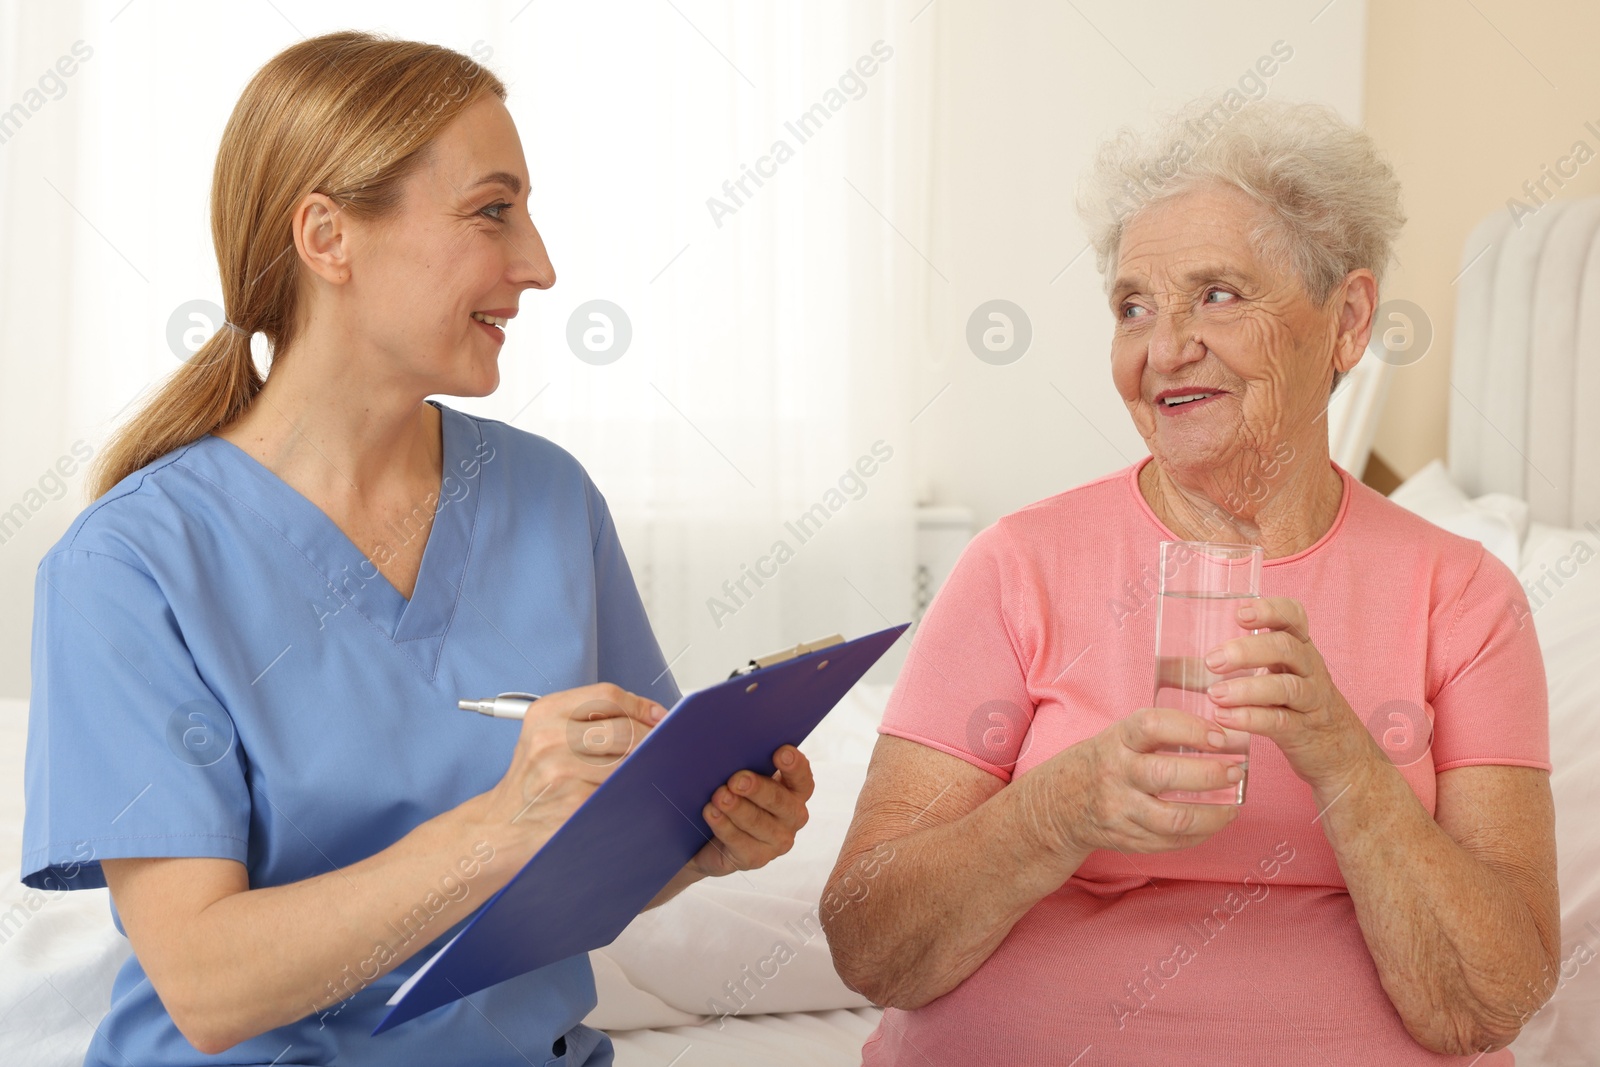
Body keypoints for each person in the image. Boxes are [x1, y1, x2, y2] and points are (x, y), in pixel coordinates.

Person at [21, 31, 812, 1067]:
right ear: (327, 236)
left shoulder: (547, 498)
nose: (536, 264)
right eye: (493, 211)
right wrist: (497, 825)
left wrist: (698, 841)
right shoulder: (129, 565)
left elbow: (589, 846)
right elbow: (207, 984)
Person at [823, 96, 1558, 1065]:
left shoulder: (1459, 597)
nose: (1162, 348)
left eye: (1216, 294)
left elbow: (1488, 1000)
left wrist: (1344, 761)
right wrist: (1058, 807)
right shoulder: (1016, 564)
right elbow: (870, 944)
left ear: (1345, 322)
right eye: (1134, 305)